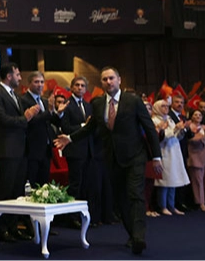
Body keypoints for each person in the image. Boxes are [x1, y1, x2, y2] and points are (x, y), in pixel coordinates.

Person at [55, 67, 162, 255]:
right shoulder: (97, 103)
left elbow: (149, 128)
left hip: (135, 156)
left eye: (111, 78)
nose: (108, 82)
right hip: (112, 158)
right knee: (121, 198)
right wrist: (70, 138)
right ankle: (132, 234)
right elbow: (90, 128)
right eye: (105, 79)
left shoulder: (133, 101)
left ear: (119, 80)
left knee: (135, 194)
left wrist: (156, 156)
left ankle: (139, 237)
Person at [0, 63, 35, 242]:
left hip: (21, 149)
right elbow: (2, 119)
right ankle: (0, 228)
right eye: (17, 74)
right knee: (6, 190)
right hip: (7, 149)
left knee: (17, 191)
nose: (20, 78)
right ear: (9, 76)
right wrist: (25, 118)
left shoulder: (15, 95)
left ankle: (13, 226)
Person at [60, 76, 96, 225]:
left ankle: (84, 216)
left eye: (82, 85)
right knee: (76, 184)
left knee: (87, 184)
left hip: (88, 150)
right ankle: (72, 217)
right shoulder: (67, 105)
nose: (80, 87)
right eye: (77, 85)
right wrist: (83, 126)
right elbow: (65, 127)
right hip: (74, 150)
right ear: (72, 87)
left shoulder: (88, 106)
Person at [150, 100, 190, 216]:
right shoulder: (154, 120)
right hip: (164, 152)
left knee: (173, 179)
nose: (166, 108)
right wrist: (175, 129)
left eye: (167, 106)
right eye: (163, 106)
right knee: (165, 181)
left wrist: (181, 130)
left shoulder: (169, 119)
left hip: (174, 151)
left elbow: (176, 136)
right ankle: (162, 206)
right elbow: (161, 137)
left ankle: (171, 205)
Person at [21, 71, 56, 188]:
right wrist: (48, 112)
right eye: (36, 82)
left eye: (42, 82)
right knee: (32, 184)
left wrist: (58, 113)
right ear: (29, 83)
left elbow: (50, 120)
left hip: (46, 148)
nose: (40, 85)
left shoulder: (45, 101)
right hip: (32, 149)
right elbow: (30, 121)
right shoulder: (23, 100)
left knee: (44, 185)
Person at [185, 109, 205, 212]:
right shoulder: (189, 127)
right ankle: (201, 203)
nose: (198, 116)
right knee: (198, 181)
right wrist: (199, 138)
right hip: (196, 155)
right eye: (196, 115)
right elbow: (189, 140)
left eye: (200, 115)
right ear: (191, 116)